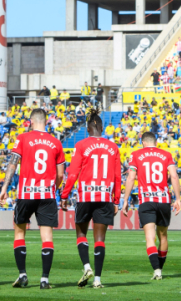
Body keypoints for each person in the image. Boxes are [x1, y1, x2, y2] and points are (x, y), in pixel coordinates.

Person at [0, 109, 66, 289]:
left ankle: (22, 275)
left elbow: (13, 163)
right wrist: (53, 188)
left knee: (19, 233)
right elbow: (60, 175)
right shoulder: (56, 143)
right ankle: (44, 279)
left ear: (30, 121)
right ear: (46, 122)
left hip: (26, 194)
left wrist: (5, 187)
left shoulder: (22, 138)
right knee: (47, 237)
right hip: (47, 195)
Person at [61, 107, 122, 289]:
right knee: (100, 239)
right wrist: (116, 200)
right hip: (104, 196)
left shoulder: (81, 145)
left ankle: (87, 267)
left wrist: (65, 195)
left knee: (81, 233)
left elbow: (73, 174)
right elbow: (118, 177)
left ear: (88, 128)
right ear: (101, 128)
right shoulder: (113, 147)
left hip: (85, 195)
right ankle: (98, 280)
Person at [122, 132, 181, 280]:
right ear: (155, 142)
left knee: (150, 237)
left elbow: (131, 177)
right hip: (163, 200)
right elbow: (174, 176)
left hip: (146, 200)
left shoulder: (135, 154)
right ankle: (159, 268)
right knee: (163, 236)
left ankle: (156, 270)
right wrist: (178, 199)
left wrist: (125, 200)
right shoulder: (166, 154)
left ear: (143, 142)